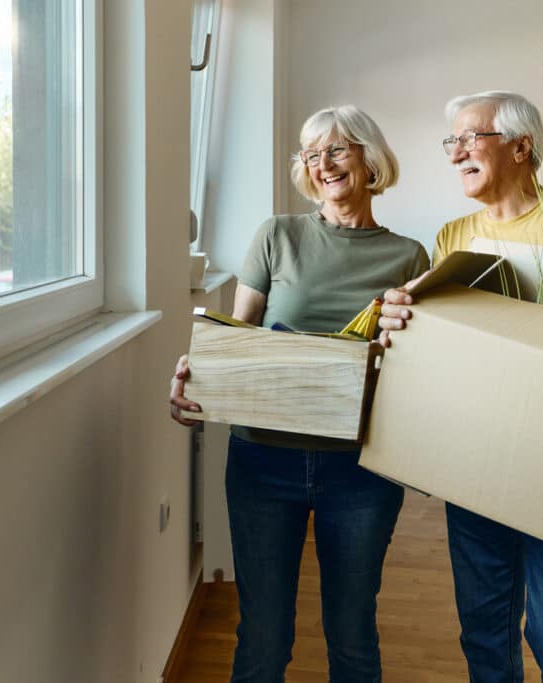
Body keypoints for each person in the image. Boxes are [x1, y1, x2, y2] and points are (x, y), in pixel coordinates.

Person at [377, 91, 543, 682]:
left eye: (470, 137)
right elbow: (435, 342)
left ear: (522, 146)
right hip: (474, 463)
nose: (456, 154)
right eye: (450, 141)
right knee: (484, 634)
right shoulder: (454, 236)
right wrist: (401, 313)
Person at [170, 105, 430, 683]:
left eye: (337, 149)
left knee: (354, 634)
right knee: (263, 638)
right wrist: (197, 377)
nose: (323, 164)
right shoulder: (278, 236)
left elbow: (413, 368)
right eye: (312, 154)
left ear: (369, 158)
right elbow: (238, 336)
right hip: (264, 462)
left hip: (362, 468)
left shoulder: (409, 257)